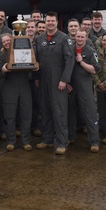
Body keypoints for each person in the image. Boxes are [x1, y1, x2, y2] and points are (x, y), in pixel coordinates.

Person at [34, 13, 75, 155]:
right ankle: (47, 139)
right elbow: (36, 60)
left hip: (58, 79)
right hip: (44, 78)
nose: (50, 23)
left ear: (57, 22)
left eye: (53, 21)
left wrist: (64, 79)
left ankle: (62, 142)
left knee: (59, 111)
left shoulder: (64, 39)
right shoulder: (39, 39)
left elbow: (70, 60)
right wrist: (37, 77)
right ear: (45, 22)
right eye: (48, 21)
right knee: (45, 109)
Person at [0, 33, 33, 151]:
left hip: (24, 85)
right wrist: (2, 71)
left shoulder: (24, 52)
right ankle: (11, 141)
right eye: (4, 42)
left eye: (8, 40)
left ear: (13, 40)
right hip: (9, 86)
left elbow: (32, 67)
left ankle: (26, 141)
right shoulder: (1, 55)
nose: (7, 43)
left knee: (26, 114)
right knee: (10, 115)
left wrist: (35, 67)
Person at [68, 30, 101, 152]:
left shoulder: (90, 51)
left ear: (86, 37)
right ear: (74, 37)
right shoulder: (69, 49)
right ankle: (70, 137)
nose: (80, 38)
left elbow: (94, 70)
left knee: (90, 113)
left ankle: (94, 141)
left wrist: (81, 61)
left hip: (85, 85)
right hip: (71, 85)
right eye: (78, 36)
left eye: (82, 36)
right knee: (70, 113)